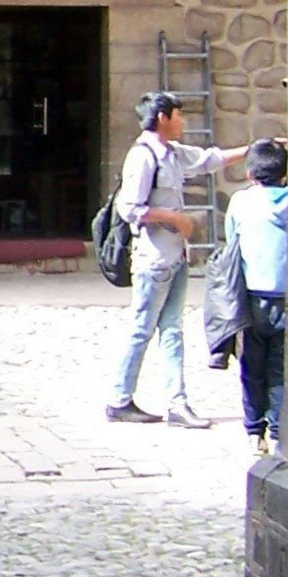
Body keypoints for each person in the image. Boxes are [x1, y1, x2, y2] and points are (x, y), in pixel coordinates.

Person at [106, 92, 240, 427]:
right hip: (153, 259)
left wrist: (252, 150)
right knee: (142, 329)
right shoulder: (143, 156)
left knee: (172, 331)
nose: (183, 121)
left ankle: (176, 404)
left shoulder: (173, 153)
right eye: (179, 115)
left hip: (175, 257)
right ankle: (119, 399)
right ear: (162, 117)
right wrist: (174, 218)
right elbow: (129, 207)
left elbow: (209, 160)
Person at [220, 140, 288, 455]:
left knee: (251, 366)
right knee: (280, 368)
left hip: (250, 297)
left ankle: (254, 431)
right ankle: (278, 431)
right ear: (284, 174)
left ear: (250, 174)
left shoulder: (240, 202)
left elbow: (231, 241)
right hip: (287, 297)